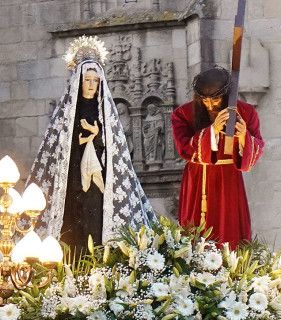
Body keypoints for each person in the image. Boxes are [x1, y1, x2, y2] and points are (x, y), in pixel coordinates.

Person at [28, 36, 155, 256]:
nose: (91, 85)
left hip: (99, 182)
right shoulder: (67, 114)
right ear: (78, 81)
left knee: (94, 225)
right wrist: (79, 141)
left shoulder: (105, 113)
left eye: (95, 81)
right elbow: (58, 149)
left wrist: (97, 136)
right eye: (87, 80)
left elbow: (115, 150)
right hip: (71, 182)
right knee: (72, 228)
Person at [172, 66, 264, 247]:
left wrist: (243, 136)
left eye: (215, 99)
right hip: (198, 178)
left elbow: (257, 148)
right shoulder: (183, 114)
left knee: (229, 228)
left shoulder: (246, 112)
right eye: (204, 100)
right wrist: (212, 131)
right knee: (195, 231)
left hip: (229, 179)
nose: (210, 105)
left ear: (227, 95)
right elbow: (184, 149)